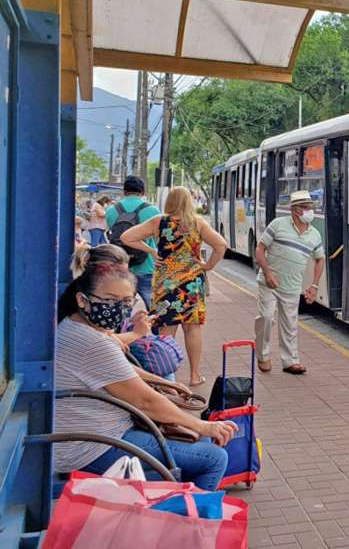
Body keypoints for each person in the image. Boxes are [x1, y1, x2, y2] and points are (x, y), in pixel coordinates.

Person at [54, 245, 236, 490]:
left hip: (101, 435)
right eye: (109, 300)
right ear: (82, 300)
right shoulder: (93, 342)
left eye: (126, 301)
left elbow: (117, 371)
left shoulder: (79, 326)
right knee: (213, 458)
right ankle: (185, 522)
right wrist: (204, 426)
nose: (117, 308)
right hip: (94, 447)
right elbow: (145, 402)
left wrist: (166, 383)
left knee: (190, 439)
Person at [121, 187, 227, 386]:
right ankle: (195, 375)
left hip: (165, 281)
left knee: (166, 329)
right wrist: (207, 266)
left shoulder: (158, 222)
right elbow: (221, 245)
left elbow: (127, 237)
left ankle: (167, 378)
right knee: (193, 328)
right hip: (192, 281)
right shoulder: (198, 223)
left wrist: (152, 251)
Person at [255, 190, 324, 375]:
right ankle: (262, 355)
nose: (310, 211)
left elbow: (319, 259)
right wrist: (268, 273)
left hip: (292, 286)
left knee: (290, 324)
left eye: (311, 207)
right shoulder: (278, 225)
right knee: (267, 318)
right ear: (295, 210)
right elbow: (260, 249)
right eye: (306, 208)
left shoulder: (314, 234)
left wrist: (314, 285)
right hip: (269, 283)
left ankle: (290, 361)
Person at [107, 177, 160, 310]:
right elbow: (159, 239)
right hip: (147, 265)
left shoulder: (111, 210)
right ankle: (155, 330)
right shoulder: (153, 211)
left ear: (124, 191)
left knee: (122, 307)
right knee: (154, 308)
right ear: (142, 191)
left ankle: (123, 330)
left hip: (121, 266)